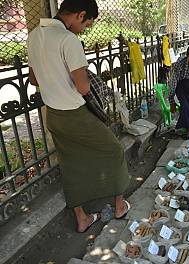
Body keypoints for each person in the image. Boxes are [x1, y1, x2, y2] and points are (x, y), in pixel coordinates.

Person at [27, 0, 131, 233]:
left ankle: (82, 218)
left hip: (53, 115)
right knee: (113, 150)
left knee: (71, 163)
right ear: (80, 14)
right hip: (75, 115)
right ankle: (119, 205)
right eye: (87, 24)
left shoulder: (34, 35)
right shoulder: (68, 39)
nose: (85, 29)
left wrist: (54, 79)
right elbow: (83, 88)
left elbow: (34, 80)